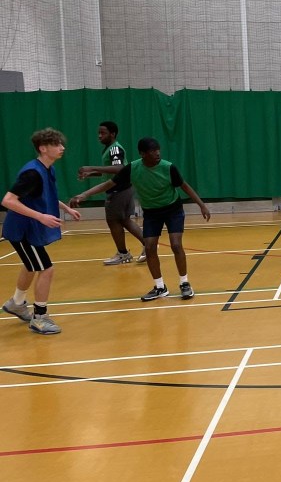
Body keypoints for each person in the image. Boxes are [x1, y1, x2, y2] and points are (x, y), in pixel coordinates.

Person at [71, 137, 210, 302]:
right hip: (151, 212)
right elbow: (108, 184)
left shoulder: (168, 167)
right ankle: (160, 287)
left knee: (176, 244)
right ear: (142, 154)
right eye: (152, 151)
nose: (157, 153)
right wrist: (84, 195)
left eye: (158, 149)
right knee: (149, 247)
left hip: (172, 210)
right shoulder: (132, 168)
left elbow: (184, 186)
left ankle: (184, 283)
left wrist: (202, 205)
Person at [2, 128, 81, 335]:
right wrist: (40, 216)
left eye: (61, 144)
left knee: (31, 266)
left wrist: (66, 208)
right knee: (46, 269)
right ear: (43, 148)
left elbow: (44, 195)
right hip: (22, 230)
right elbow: (8, 200)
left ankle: (16, 303)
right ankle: (39, 318)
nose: (62, 148)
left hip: (29, 228)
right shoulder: (32, 173)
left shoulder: (47, 169)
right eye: (57, 144)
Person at [77, 120, 146, 265]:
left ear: (112, 134)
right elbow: (110, 170)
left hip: (118, 190)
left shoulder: (115, 149)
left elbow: (119, 168)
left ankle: (123, 253)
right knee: (125, 220)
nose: (99, 136)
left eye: (103, 133)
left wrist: (92, 167)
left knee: (113, 220)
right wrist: (91, 174)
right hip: (125, 187)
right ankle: (148, 245)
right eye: (98, 133)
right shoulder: (109, 149)